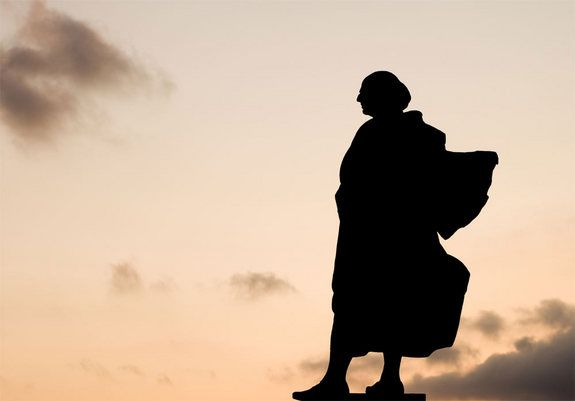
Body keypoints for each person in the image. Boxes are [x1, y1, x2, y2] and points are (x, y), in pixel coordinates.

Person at [293, 71, 474, 400]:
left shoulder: (419, 136)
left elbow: (419, 183)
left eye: (364, 93)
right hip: (360, 234)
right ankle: (337, 379)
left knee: (395, 302)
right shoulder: (369, 131)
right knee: (350, 302)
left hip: (398, 237)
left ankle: (386, 378)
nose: (359, 99)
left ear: (384, 96)